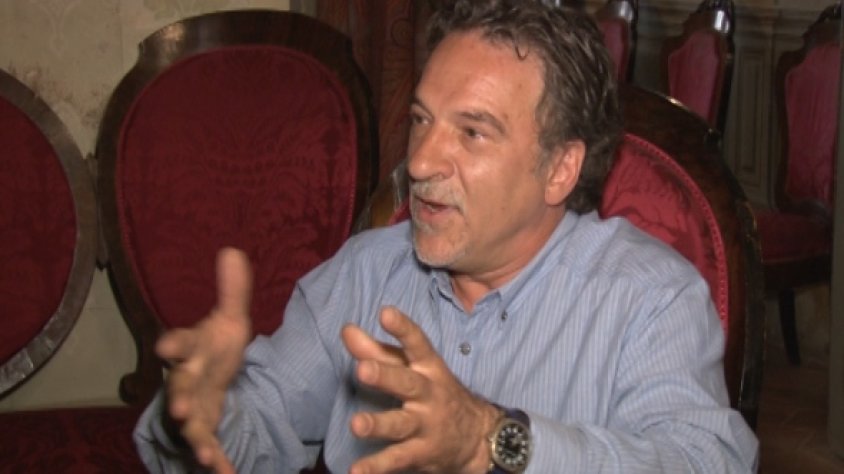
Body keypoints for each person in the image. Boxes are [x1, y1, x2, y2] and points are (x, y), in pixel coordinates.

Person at [135, 0, 759, 472]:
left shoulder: (650, 298)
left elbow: (704, 461)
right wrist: (199, 416)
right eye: (421, 120)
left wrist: (492, 441)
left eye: (472, 132)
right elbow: (253, 428)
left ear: (560, 168)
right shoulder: (366, 272)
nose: (421, 161)